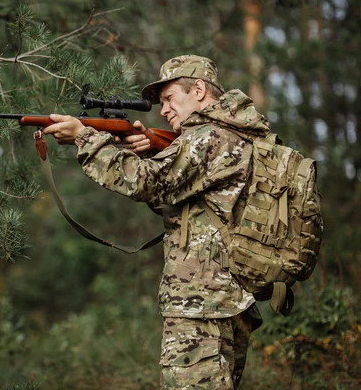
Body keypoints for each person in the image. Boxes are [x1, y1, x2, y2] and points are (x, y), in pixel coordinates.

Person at [42, 55, 267, 389]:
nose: (163, 110)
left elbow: (142, 182)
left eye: (169, 98)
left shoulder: (207, 137)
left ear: (200, 90)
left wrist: (84, 137)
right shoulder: (238, 133)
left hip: (199, 307)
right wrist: (151, 152)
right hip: (228, 301)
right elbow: (180, 200)